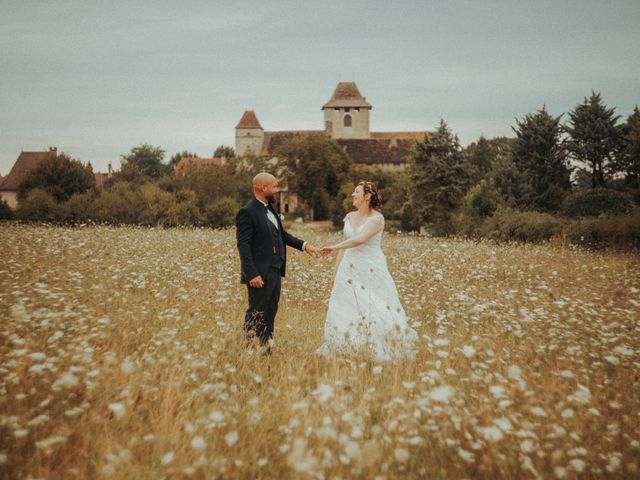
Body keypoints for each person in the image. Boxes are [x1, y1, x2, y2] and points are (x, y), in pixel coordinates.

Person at [318, 181, 417, 361]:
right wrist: (334, 273)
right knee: (344, 307)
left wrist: (332, 246)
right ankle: (345, 348)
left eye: (356, 192)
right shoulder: (349, 217)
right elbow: (344, 248)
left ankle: (377, 348)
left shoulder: (377, 219)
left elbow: (360, 239)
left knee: (375, 307)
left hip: (370, 269)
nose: (352, 195)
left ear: (367, 196)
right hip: (347, 269)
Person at [236, 172, 319, 352]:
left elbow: (282, 235)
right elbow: (243, 245)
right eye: (274, 186)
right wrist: (252, 274)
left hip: (275, 270)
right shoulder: (247, 212)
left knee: (270, 312)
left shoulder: (271, 209)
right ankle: (250, 349)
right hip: (258, 273)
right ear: (261, 188)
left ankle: (266, 348)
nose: (277, 189)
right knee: (256, 312)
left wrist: (305, 246)